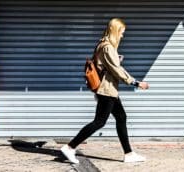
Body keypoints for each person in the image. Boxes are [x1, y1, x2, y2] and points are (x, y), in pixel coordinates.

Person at [61, 18, 150, 164]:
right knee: (99, 122)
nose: (122, 36)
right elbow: (116, 70)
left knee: (121, 117)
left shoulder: (103, 45)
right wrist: (135, 82)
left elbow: (107, 66)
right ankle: (70, 147)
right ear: (115, 31)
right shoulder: (107, 47)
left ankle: (128, 154)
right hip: (106, 90)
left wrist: (116, 60)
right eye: (121, 33)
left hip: (109, 90)